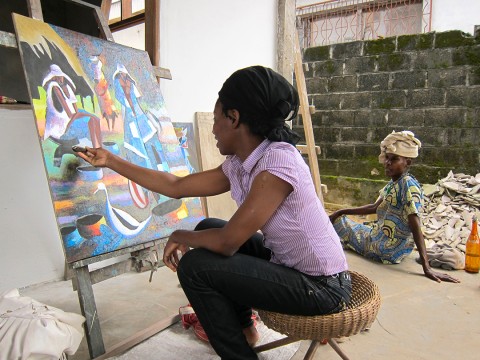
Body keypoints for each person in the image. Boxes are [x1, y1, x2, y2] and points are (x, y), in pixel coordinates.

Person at [77, 65, 351, 360]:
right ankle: (246, 330)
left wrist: (179, 233)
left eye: (217, 118)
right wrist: (112, 161)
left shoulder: (278, 162)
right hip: (288, 264)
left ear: (234, 118)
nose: (212, 127)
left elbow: (228, 241)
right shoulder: (240, 162)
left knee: (195, 267)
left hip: (322, 286)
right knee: (207, 225)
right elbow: (177, 185)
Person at [329, 130, 460, 284]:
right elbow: (374, 207)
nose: (388, 163)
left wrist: (427, 267)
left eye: (394, 159)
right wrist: (341, 210)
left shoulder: (407, 185)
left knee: (339, 223)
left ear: (408, 162)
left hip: (385, 249)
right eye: (387, 158)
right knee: (347, 221)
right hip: (396, 248)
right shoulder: (396, 182)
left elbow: (415, 223)